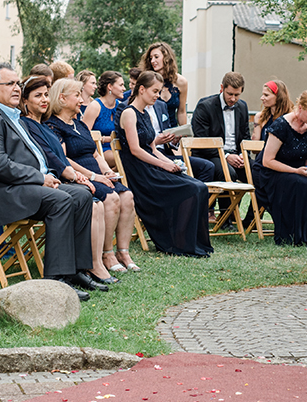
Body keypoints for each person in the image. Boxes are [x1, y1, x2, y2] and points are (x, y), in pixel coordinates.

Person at [0, 64, 97, 300]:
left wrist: (49, 177)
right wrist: (39, 178)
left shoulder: (10, 115)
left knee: (82, 195)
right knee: (62, 200)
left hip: (23, 186)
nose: (17, 89)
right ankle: (55, 281)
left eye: (18, 84)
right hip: (0, 194)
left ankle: (76, 270)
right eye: (11, 84)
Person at [20, 77, 115, 287]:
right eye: (38, 96)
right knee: (88, 199)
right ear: (24, 101)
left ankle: (83, 267)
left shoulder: (41, 125)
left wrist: (80, 176)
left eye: (46, 94)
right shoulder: (26, 124)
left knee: (94, 202)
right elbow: (49, 157)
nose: (44, 100)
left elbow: (59, 157)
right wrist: (78, 176)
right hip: (42, 184)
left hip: (60, 178)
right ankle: (73, 270)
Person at [46, 77, 138, 274]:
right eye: (77, 95)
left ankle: (123, 251)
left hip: (97, 172)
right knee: (112, 199)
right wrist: (94, 176)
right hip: (79, 175)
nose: (82, 100)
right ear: (62, 99)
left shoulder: (79, 124)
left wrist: (106, 171)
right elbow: (63, 159)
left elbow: (95, 153)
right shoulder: (53, 126)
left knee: (127, 196)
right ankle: (106, 254)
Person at [118, 71, 212, 257]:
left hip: (151, 164)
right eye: (155, 91)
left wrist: (171, 162)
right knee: (190, 189)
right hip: (140, 171)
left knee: (200, 186)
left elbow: (153, 149)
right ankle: (177, 242)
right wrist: (164, 166)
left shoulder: (145, 114)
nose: (158, 96)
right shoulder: (129, 113)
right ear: (142, 89)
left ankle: (188, 241)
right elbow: (136, 150)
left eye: (159, 91)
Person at [251, 89, 307, 246]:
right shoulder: (281, 126)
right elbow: (267, 161)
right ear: (300, 107)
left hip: (298, 169)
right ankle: (295, 235)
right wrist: (296, 171)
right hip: (271, 172)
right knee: (299, 182)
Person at [191, 71, 252, 182]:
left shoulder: (243, 107)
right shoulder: (205, 106)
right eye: (230, 94)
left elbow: (245, 136)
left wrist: (243, 155)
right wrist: (226, 156)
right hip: (211, 155)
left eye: (237, 95)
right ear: (222, 88)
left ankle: (251, 200)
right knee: (229, 174)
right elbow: (202, 140)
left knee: (259, 172)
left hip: (237, 155)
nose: (233, 99)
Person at [81, 70, 124, 168]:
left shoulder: (120, 106)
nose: (124, 88)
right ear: (110, 87)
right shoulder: (95, 106)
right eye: (121, 85)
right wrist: (106, 139)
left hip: (119, 147)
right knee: (124, 157)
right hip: (100, 149)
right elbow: (83, 135)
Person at [139, 42, 188, 125]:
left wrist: (184, 135)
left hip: (173, 131)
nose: (152, 61)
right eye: (151, 58)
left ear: (166, 58)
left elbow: (182, 112)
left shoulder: (181, 82)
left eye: (156, 57)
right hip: (152, 130)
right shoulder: (146, 80)